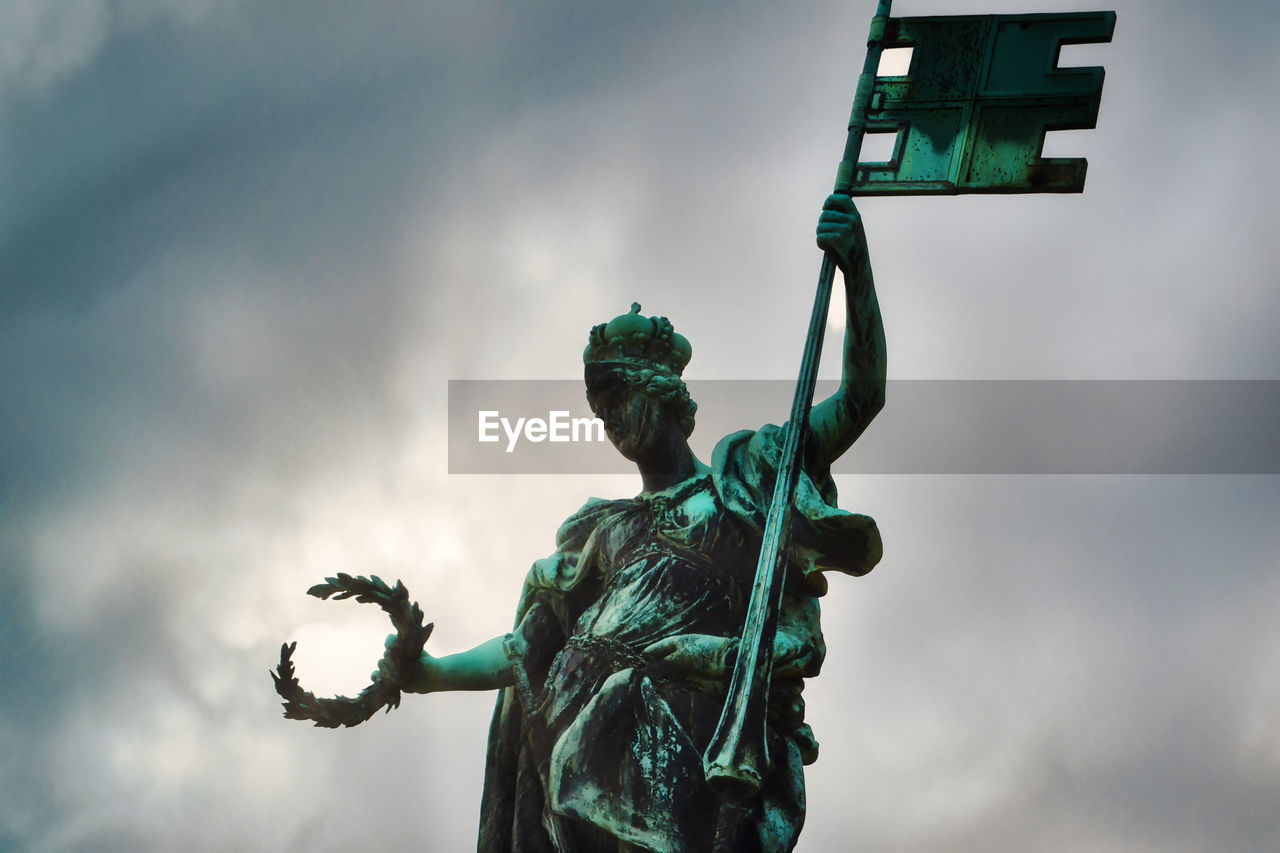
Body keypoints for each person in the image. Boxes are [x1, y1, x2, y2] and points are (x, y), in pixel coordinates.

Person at [380, 194, 885, 852]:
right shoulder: (603, 530)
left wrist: (857, 265)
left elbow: (860, 397)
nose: (611, 422)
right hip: (573, 738)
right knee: (573, 762)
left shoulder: (744, 481)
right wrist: (431, 672)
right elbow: (525, 648)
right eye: (600, 410)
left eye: (620, 400)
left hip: (681, 738)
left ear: (663, 392)